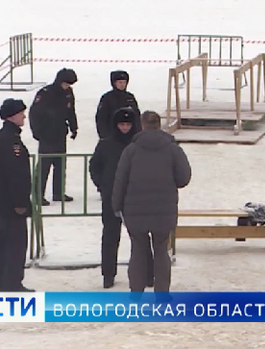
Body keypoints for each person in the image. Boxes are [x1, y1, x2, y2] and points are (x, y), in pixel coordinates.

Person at [111, 111, 192, 293]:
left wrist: (116, 206)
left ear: (142, 125)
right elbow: (184, 177)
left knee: (138, 250)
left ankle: (136, 293)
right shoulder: (172, 149)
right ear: (159, 124)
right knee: (162, 250)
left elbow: (120, 180)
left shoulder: (131, 150)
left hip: (135, 210)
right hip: (164, 209)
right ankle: (162, 294)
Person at [89, 106, 147, 289]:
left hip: (135, 197)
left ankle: (146, 272)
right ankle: (108, 274)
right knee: (110, 237)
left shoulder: (140, 144)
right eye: (121, 124)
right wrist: (102, 186)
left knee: (140, 237)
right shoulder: (106, 144)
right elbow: (94, 167)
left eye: (128, 124)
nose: (124, 128)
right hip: (112, 197)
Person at [0, 98, 34, 293]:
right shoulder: (10, 141)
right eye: (21, 112)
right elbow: (16, 175)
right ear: (11, 116)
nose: (24, 116)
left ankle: (0, 280)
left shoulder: (0, 138)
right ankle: (12, 282)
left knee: (0, 242)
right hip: (10, 204)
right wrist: (21, 202)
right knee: (14, 244)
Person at [28, 68, 78, 205]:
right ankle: (38, 195)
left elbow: (70, 111)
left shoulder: (68, 93)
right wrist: (37, 132)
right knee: (44, 165)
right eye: (66, 84)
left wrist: (74, 127)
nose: (67, 87)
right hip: (47, 134)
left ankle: (58, 192)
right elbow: (34, 113)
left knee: (60, 164)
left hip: (60, 133)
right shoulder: (46, 93)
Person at [95, 70, 140, 140]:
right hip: (112, 136)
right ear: (114, 83)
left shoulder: (130, 97)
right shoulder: (107, 98)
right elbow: (101, 119)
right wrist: (104, 136)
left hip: (130, 137)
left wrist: (137, 134)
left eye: (124, 82)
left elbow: (136, 116)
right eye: (120, 82)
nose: (122, 85)